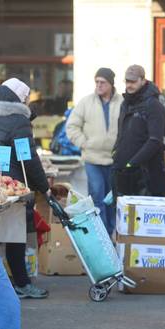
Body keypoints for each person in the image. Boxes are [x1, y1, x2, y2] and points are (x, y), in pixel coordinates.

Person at [0, 78, 50, 299]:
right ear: (20, 98)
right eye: (26, 98)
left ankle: (15, 279)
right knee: (12, 233)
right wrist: (43, 186)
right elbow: (28, 157)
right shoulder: (18, 121)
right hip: (13, 184)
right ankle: (19, 282)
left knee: (0, 232)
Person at [66, 68, 123, 235]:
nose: (98, 85)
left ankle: (112, 232)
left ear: (111, 84)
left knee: (113, 199)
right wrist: (84, 143)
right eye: (96, 82)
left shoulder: (122, 103)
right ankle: (102, 234)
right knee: (97, 196)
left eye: (102, 82)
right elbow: (71, 126)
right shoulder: (86, 102)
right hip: (92, 158)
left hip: (115, 159)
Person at [112, 65, 165, 197]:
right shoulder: (126, 103)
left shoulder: (153, 105)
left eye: (133, 81)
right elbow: (122, 134)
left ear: (143, 81)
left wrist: (132, 163)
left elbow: (155, 140)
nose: (129, 85)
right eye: (127, 81)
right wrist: (116, 154)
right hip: (124, 174)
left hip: (147, 176)